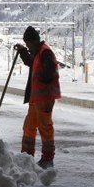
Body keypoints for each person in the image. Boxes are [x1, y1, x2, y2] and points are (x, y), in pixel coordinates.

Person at [14, 26, 61, 169]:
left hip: (45, 98)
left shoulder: (45, 52)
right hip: (36, 99)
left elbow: (50, 71)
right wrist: (22, 52)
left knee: (45, 127)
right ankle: (26, 157)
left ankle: (47, 159)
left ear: (34, 41)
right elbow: (30, 62)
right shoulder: (37, 53)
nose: (28, 47)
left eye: (28, 44)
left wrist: (41, 78)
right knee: (29, 127)